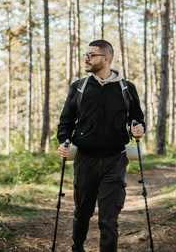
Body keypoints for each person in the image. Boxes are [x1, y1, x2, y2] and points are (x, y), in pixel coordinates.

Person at [57, 39, 146, 252]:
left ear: (105, 59)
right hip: (85, 159)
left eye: (91, 55)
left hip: (115, 160)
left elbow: (137, 118)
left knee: (108, 219)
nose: (86, 59)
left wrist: (139, 127)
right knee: (82, 213)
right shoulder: (79, 87)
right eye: (86, 55)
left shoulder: (127, 88)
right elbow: (65, 122)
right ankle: (77, 247)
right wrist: (64, 141)